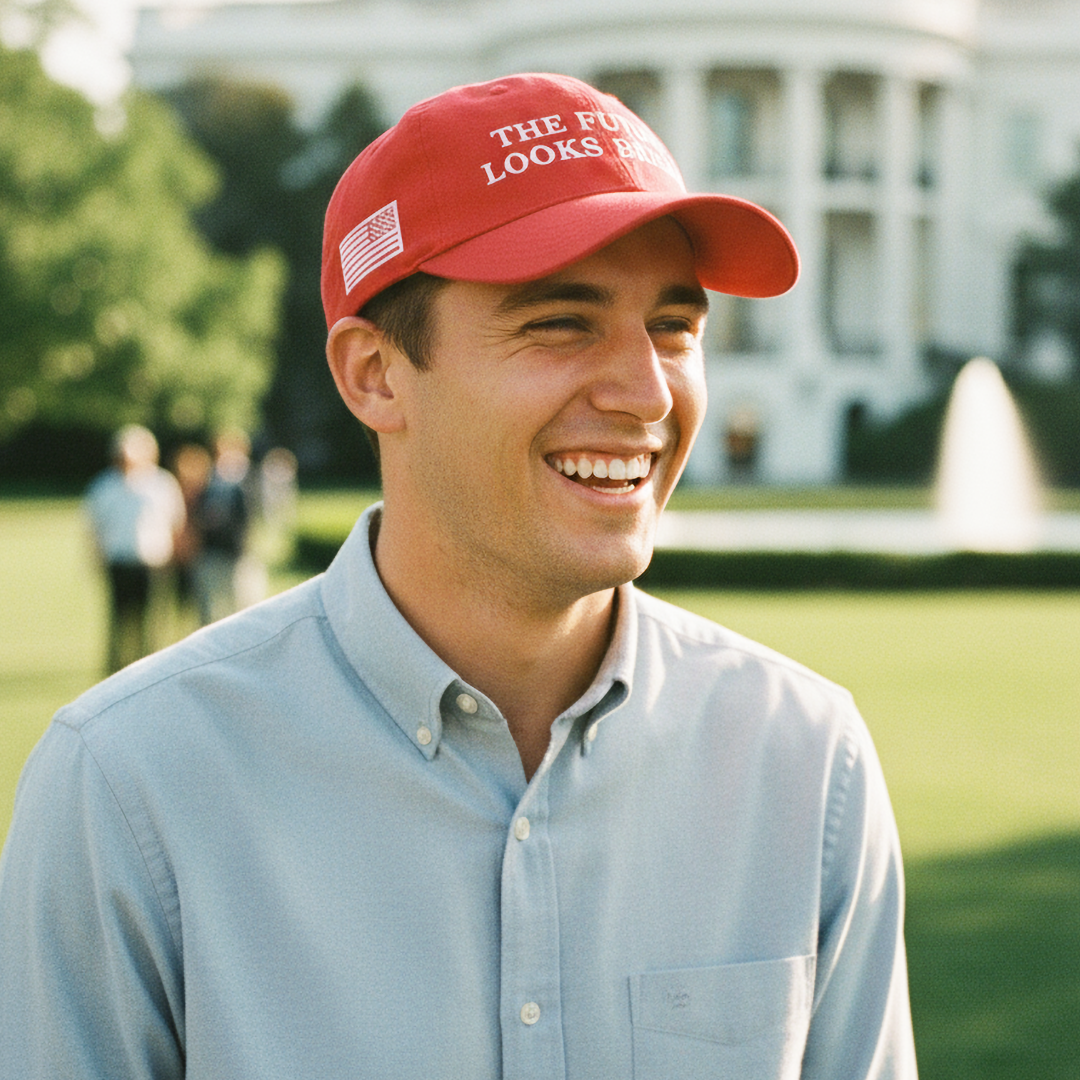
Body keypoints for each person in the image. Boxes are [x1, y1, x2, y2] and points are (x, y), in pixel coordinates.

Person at [0, 74, 917, 1079]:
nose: (648, 391)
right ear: (374, 374)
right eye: (560, 321)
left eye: (675, 326)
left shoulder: (805, 762)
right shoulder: (132, 783)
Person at [83, 423, 186, 674]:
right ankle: (116, 669)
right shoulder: (104, 485)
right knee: (119, 620)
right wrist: (94, 559)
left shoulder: (161, 483)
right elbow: (94, 528)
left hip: (152, 562)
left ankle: (150, 670)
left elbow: (176, 522)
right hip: (118, 561)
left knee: (151, 621)